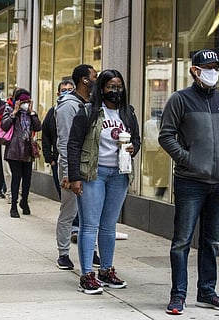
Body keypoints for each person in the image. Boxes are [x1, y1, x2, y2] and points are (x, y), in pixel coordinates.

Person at [159, 49, 219, 315]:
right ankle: (178, 295)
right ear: (194, 70)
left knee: (212, 241)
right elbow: (166, 136)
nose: (213, 72)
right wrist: (188, 160)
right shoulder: (180, 100)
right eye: (207, 67)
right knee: (181, 241)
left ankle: (207, 291)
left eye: (216, 67)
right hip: (190, 182)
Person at [67, 69, 140, 294]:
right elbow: (73, 145)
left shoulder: (129, 113)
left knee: (109, 226)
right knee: (89, 225)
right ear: (101, 88)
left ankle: (106, 270)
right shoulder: (88, 112)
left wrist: (133, 148)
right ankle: (87, 275)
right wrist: (74, 177)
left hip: (119, 174)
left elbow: (136, 139)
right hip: (93, 173)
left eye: (119, 87)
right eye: (110, 86)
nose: (115, 91)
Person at [54, 65, 97, 270]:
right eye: (94, 75)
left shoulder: (92, 103)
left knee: (91, 214)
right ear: (84, 80)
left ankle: (91, 251)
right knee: (69, 211)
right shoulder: (67, 106)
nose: (97, 78)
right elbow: (64, 141)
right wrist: (68, 173)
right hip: (71, 166)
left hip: (90, 165)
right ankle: (63, 253)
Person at [0, 88, 42, 218]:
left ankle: (24, 201)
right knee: (16, 177)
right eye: (22, 101)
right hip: (14, 149)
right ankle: (14, 205)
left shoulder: (30, 113)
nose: (24, 103)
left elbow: (38, 127)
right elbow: (4, 125)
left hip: (27, 150)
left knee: (27, 179)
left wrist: (32, 113)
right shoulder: (9, 109)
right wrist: (15, 112)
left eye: (27, 100)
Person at [42, 79, 75, 200]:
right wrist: (50, 158)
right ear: (58, 94)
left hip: (75, 161)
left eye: (70, 90)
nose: (67, 93)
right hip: (58, 160)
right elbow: (45, 135)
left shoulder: (78, 109)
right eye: (63, 91)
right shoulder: (52, 112)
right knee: (64, 196)